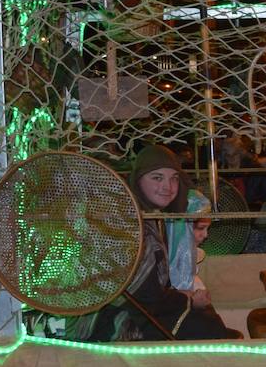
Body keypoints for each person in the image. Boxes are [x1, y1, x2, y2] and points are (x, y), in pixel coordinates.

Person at [90, 145, 241, 342]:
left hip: (140, 308)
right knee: (207, 328)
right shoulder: (129, 222)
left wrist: (183, 297)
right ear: (137, 180)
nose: (167, 187)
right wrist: (188, 299)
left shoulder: (152, 217)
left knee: (208, 320)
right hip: (114, 318)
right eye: (157, 178)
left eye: (174, 178)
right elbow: (143, 295)